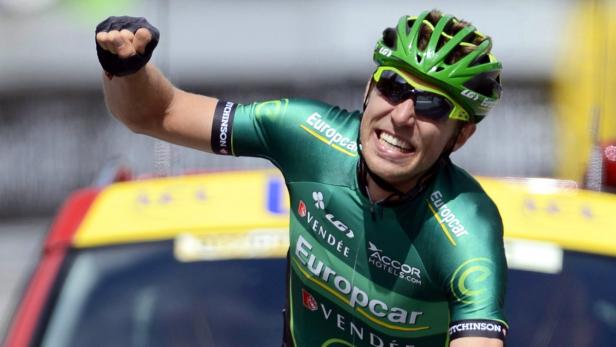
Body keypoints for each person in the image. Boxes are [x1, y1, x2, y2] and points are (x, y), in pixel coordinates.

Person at [95, 9, 508, 347]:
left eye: (432, 105)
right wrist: (128, 68)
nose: (402, 116)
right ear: (369, 88)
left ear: (461, 136)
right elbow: (155, 113)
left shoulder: (466, 229)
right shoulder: (307, 133)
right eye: (394, 86)